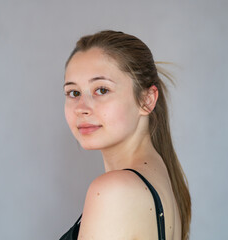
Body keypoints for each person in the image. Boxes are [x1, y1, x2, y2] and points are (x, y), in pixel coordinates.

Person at [59, 30, 191, 240]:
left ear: (147, 100)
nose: (81, 108)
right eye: (73, 93)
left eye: (101, 90)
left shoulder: (114, 190)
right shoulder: (163, 180)